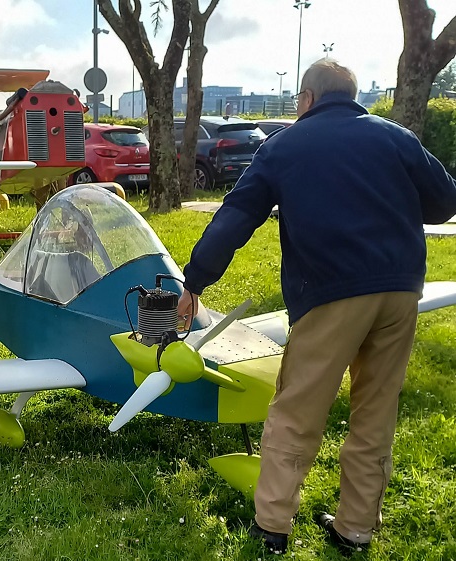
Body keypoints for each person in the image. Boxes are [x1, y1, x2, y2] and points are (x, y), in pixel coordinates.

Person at [177, 59, 456, 555]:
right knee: (375, 410)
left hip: (330, 293)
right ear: (350, 96)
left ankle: (273, 528)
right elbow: (443, 203)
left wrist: (195, 279)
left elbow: (236, 216)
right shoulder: (395, 137)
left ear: (305, 98)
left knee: (297, 410)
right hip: (400, 290)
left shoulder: (283, 146)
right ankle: (355, 529)